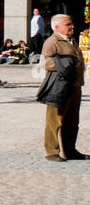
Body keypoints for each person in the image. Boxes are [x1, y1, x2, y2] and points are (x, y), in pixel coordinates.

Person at [41, 14, 85, 161]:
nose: (71, 26)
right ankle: (51, 151)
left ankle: (70, 150)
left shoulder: (71, 40)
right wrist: (65, 64)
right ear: (57, 26)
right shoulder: (52, 42)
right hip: (59, 86)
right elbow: (46, 63)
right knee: (55, 121)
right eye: (68, 24)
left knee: (72, 121)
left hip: (75, 85)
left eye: (71, 23)